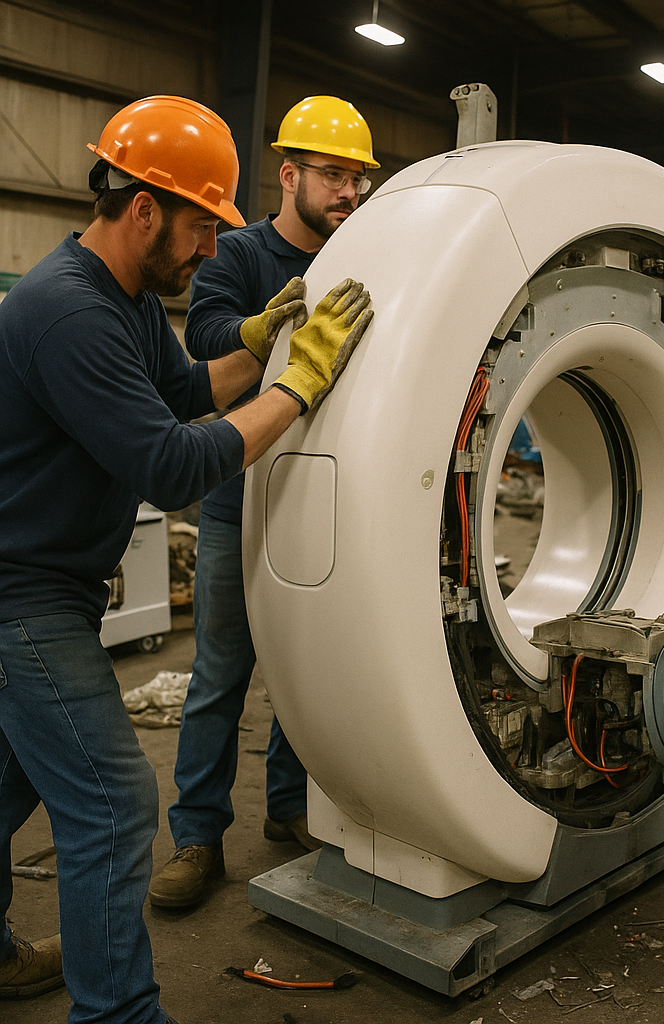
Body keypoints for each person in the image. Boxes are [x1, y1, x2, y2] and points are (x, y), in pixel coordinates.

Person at [0, 95, 372, 1022]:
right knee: (114, 803)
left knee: (10, 785)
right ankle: (119, 1013)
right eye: (202, 226)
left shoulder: (120, 298)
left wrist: (254, 344)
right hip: (20, 597)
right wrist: (297, 383)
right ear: (142, 208)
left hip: (50, 585)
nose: (212, 251)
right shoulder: (66, 312)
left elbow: (181, 385)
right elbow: (171, 463)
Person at [148, 96, 379, 910]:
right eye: (333, 175)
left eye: (358, 178)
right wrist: (261, 330)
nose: (349, 191)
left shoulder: (375, 255)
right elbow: (202, 342)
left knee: (306, 669)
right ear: (290, 175)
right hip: (239, 494)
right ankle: (197, 838)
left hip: (326, 498)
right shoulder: (239, 253)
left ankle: (288, 807)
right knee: (222, 673)